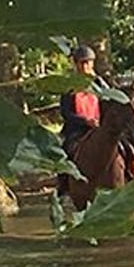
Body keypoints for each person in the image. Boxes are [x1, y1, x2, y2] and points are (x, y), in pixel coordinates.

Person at [58, 44, 108, 195]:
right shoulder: (69, 86)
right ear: (76, 64)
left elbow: (110, 100)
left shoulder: (100, 84)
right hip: (78, 130)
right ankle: (63, 185)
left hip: (101, 127)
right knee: (66, 151)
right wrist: (85, 121)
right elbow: (66, 112)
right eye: (82, 63)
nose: (85, 66)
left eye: (88, 62)